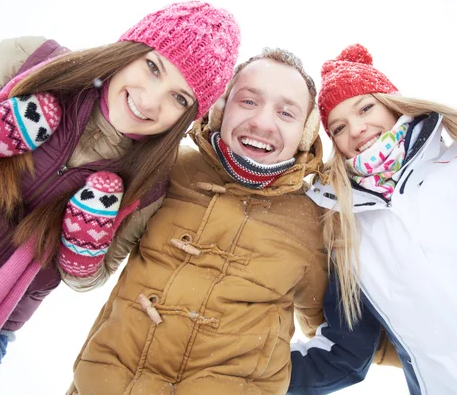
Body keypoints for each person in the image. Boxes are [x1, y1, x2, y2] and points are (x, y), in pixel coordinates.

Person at [0, 1, 240, 394]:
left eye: (179, 99)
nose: (151, 102)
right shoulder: (32, 63)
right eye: (153, 67)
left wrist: (82, 249)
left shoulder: (149, 184)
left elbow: (90, 279)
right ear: (130, 49)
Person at [67, 47, 328, 395]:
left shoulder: (314, 220)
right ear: (221, 108)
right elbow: (87, 273)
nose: (263, 123)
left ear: (306, 132)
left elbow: (336, 334)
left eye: (285, 113)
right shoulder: (169, 168)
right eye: (248, 101)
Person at [288, 43, 457, 395]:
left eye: (366, 107)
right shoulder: (345, 227)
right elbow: (344, 353)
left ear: (394, 105)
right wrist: (243, 377)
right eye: (339, 127)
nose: (358, 129)